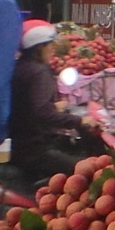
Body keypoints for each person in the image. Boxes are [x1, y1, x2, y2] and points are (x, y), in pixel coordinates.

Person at [11, 23, 98, 183]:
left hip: (16, 144)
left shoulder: (20, 67)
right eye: (50, 45)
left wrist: (55, 107)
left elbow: (25, 104)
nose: (53, 49)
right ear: (39, 47)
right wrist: (79, 121)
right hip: (32, 150)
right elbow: (42, 113)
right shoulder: (39, 73)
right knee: (88, 172)